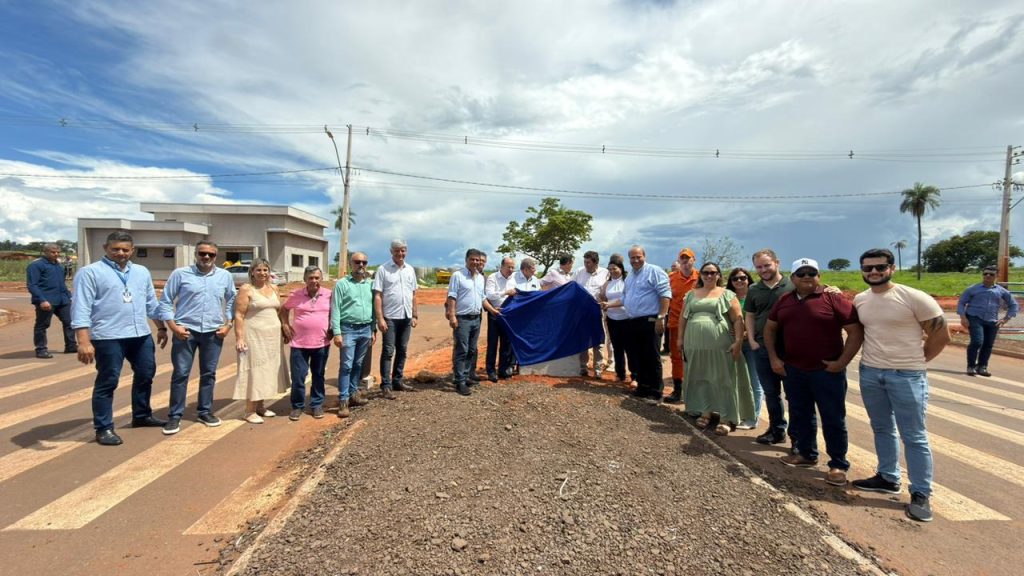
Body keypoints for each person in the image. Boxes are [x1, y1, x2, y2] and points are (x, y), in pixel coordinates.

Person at [852, 248, 950, 522]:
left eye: (880, 267)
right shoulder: (860, 299)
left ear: (892, 268)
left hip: (907, 375)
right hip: (871, 372)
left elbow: (941, 335)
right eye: (868, 268)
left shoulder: (914, 297)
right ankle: (887, 477)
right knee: (881, 427)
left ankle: (920, 492)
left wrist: (918, 361)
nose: (874, 272)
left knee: (914, 435)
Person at [764, 258, 863, 486]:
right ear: (793, 278)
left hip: (826, 372)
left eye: (811, 273)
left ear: (819, 276)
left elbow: (855, 331)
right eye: (801, 273)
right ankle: (806, 454)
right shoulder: (785, 300)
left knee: (833, 418)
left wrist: (842, 362)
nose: (807, 277)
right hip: (794, 370)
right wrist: (774, 358)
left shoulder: (833, 298)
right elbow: (770, 329)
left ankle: (838, 464)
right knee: (801, 414)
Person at [71, 231, 168, 446]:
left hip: (140, 334)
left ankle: (141, 415)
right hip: (108, 336)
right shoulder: (90, 273)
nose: (120, 253)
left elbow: (150, 302)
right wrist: (83, 341)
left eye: (125, 249)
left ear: (132, 250)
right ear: (106, 248)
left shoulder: (141, 272)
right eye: (115, 249)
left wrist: (161, 327)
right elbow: (80, 307)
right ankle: (104, 427)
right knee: (108, 381)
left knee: (146, 374)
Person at [158, 241, 237, 435]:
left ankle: (204, 411)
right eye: (202, 253)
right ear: (196, 254)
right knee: (181, 374)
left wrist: (228, 324)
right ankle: (175, 415)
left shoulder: (224, 276)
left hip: (213, 332)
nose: (206, 257)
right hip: (186, 332)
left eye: (211, 254)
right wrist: (173, 327)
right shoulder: (180, 274)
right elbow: (165, 301)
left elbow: (232, 300)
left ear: (216, 256)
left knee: (208, 374)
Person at [676, 262, 753, 435]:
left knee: (723, 379)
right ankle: (706, 411)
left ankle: (726, 417)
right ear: (700, 275)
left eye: (713, 272)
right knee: (701, 376)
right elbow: (683, 318)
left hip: (721, 344)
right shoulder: (691, 295)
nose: (709, 276)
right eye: (705, 272)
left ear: (719, 275)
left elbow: (737, 319)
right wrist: (680, 339)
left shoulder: (727, 294)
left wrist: (738, 341)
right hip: (694, 344)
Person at [744, 248, 799, 450]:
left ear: (777, 263)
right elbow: (750, 315)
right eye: (759, 267)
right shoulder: (754, 289)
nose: (763, 270)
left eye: (767, 265)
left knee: (794, 395)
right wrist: (752, 340)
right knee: (771, 392)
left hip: (790, 349)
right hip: (762, 347)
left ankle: (798, 438)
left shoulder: (792, 285)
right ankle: (776, 430)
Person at [232, 258, 289, 424]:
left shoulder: (274, 288)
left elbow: (278, 310)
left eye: (265, 270)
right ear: (252, 272)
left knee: (267, 370)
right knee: (254, 370)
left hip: (272, 337)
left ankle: (260, 406)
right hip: (253, 336)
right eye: (258, 270)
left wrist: (284, 327)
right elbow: (239, 315)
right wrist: (239, 338)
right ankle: (249, 411)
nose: (262, 273)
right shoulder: (246, 289)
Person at [281, 266, 332, 420]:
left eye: (317, 278)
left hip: (321, 343)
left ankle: (316, 405)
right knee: (298, 377)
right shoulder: (296, 294)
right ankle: (297, 406)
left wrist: (333, 329)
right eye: (310, 278)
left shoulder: (329, 295)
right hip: (299, 344)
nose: (314, 281)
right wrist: (285, 324)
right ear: (305, 279)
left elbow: (336, 313)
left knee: (318, 375)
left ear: (321, 279)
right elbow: (284, 309)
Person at [622, 245, 671, 402]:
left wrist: (661, 317)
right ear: (629, 259)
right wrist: (609, 304)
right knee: (638, 355)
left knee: (652, 356)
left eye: (639, 257)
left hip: (651, 320)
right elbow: (624, 298)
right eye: (633, 257)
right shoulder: (630, 276)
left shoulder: (654, 271)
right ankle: (643, 388)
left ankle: (656, 392)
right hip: (633, 321)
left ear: (645, 256)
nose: (636, 260)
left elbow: (665, 295)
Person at [373, 239, 419, 399]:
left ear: (406, 251)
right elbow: (377, 295)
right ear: (391, 251)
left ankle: (397, 380)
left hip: (406, 317)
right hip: (390, 318)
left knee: (402, 350)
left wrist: (414, 315)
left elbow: (413, 294)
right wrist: (380, 319)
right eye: (397, 250)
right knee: (388, 351)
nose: (400, 253)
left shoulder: (410, 270)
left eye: (403, 250)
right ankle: (386, 385)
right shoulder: (383, 269)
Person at [332, 253, 376, 418]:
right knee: (346, 365)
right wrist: (337, 332)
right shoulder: (342, 284)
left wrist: (373, 329)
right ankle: (343, 400)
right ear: (351, 264)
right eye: (357, 262)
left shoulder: (370, 285)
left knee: (358, 364)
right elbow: (335, 309)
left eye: (364, 262)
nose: (361, 265)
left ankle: (353, 394)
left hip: (365, 329)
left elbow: (373, 308)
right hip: (348, 329)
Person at [957, 265, 1018, 376]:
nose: (988, 276)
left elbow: (1013, 305)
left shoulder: (1001, 291)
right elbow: (961, 303)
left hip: (992, 320)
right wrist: (963, 317)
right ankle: (971, 366)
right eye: (985, 273)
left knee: (988, 344)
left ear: (997, 276)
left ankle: (982, 367)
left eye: (991, 274)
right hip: (975, 317)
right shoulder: (973, 289)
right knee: (977, 341)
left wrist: (1005, 319)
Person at [726, 267, 762, 429]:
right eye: (735, 279)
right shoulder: (727, 297)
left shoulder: (756, 295)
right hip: (733, 344)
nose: (739, 281)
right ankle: (739, 413)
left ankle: (752, 418)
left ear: (748, 279)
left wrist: (747, 333)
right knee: (736, 380)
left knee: (754, 382)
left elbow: (762, 319)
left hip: (751, 344)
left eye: (742, 278)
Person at [446, 248, 486, 396]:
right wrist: (452, 316)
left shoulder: (480, 278)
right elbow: (452, 296)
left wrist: (494, 311)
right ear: (466, 260)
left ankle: (466, 375)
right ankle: (459, 381)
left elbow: (482, 298)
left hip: (476, 318)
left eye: (477, 260)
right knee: (461, 350)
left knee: (471, 350)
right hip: (462, 319)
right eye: (472, 259)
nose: (475, 262)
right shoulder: (458, 276)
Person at [27, 243, 75, 358]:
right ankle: (41, 349)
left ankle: (71, 346)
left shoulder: (58, 266)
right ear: (45, 252)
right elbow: (32, 285)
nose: (56, 254)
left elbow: (62, 284)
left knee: (70, 322)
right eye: (53, 252)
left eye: (58, 252)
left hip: (63, 300)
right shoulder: (36, 265)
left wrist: (69, 297)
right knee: (42, 325)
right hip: (46, 300)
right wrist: (42, 300)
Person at [665, 248, 699, 403]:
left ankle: (695, 391)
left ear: (694, 260)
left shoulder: (701, 277)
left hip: (695, 324)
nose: (685, 261)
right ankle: (678, 390)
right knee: (676, 357)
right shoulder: (671, 278)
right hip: (675, 323)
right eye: (682, 258)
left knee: (696, 357)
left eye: (688, 258)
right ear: (679, 261)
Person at [573, 251, 609, 377]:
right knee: (583, 340)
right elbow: (571, 288)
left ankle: (598, 370)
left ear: (596, 262)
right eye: (585, 262)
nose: (586, 265)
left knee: (598, 341)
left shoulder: (605, 273)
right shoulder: (579, 272)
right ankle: (583, 368)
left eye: (588, 262)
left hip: (597, 311)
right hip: (582, 312)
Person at [600, 257, 634, 385]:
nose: (612, 271)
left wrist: (609, 304)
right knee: (617, 347)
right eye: (610, 269)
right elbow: (602, 296)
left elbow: (628, 299)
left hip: (626, 318)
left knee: (630, 348)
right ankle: (620, 374)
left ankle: (635, 376)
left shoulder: (627, 281)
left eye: (614, 268)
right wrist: (603, 301)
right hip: (612, 319)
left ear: (621, 268)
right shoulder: (608, 283)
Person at [484, 256, 517, 382]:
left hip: (508, 315)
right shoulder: (493, 277)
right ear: (502, 266)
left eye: (513, 267)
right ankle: (491, 371)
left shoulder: (514, 279)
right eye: (509, 267)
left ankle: (503, 370)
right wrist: (505, 292)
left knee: (506, 344)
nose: (511, 269)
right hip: (494, 313)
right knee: (492, 343)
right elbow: (489, 295)